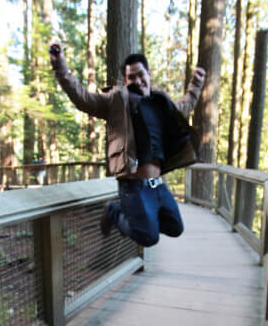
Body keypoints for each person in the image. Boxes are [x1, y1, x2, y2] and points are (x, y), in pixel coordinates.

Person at [49, 42, 205, 246]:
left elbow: (184, 107)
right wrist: (59, 64)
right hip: (133, 186)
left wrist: (196, 83)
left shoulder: (161, 102)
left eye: (141, 75)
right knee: (148, 238)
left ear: (148, 74)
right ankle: (113, 210)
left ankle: (141, 218)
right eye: (131, 77)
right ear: (125, 79)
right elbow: (82, 98)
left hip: (157, 185)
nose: (137, 81)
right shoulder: (116, 101)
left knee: (175, 227)